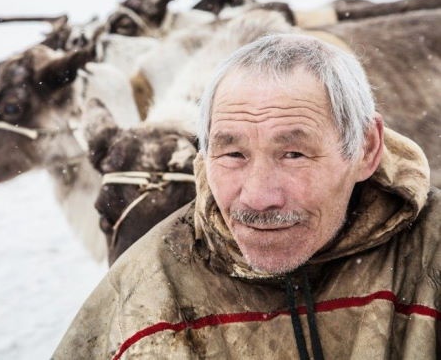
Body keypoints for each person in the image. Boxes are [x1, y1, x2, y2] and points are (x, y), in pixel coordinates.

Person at [52, 34, 440, 359]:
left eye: (293, 154)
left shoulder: (430, 259)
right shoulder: (139, 297)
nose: (257, 198)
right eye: (233, 154)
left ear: (366, 149)